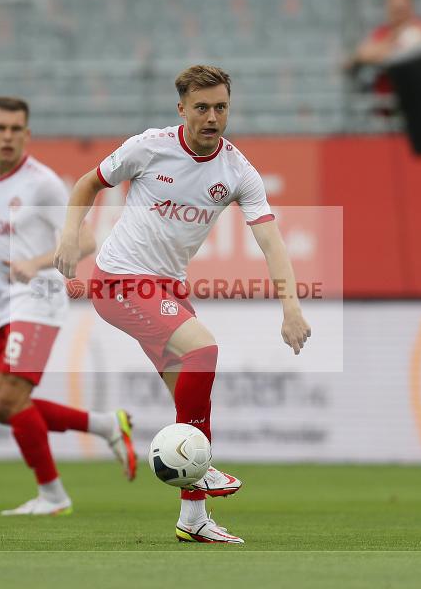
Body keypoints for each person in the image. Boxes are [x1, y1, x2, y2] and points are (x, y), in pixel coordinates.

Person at [53, 66, 311, 544]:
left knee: (192, 402)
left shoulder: (238, 171)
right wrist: (70, 234)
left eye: (221, 107)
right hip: (119, 280)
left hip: (167, 288)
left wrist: (290, 306)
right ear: (182, 110)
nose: (213, 117)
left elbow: (273, 243)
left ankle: (193, 520)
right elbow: (87, 184)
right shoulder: (150, 146)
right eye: (202, 108)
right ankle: (202, 468)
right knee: (204, 351)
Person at [0, 96, 136, 517]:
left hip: (39, 301)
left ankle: (53, 496)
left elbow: (87, 240)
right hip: (4, 306)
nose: (7, 136)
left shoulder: (43, 183)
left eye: (16, 129)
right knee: (3, 407)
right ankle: (107, 425)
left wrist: (35, 264)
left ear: (27, 134)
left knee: (9, 399)